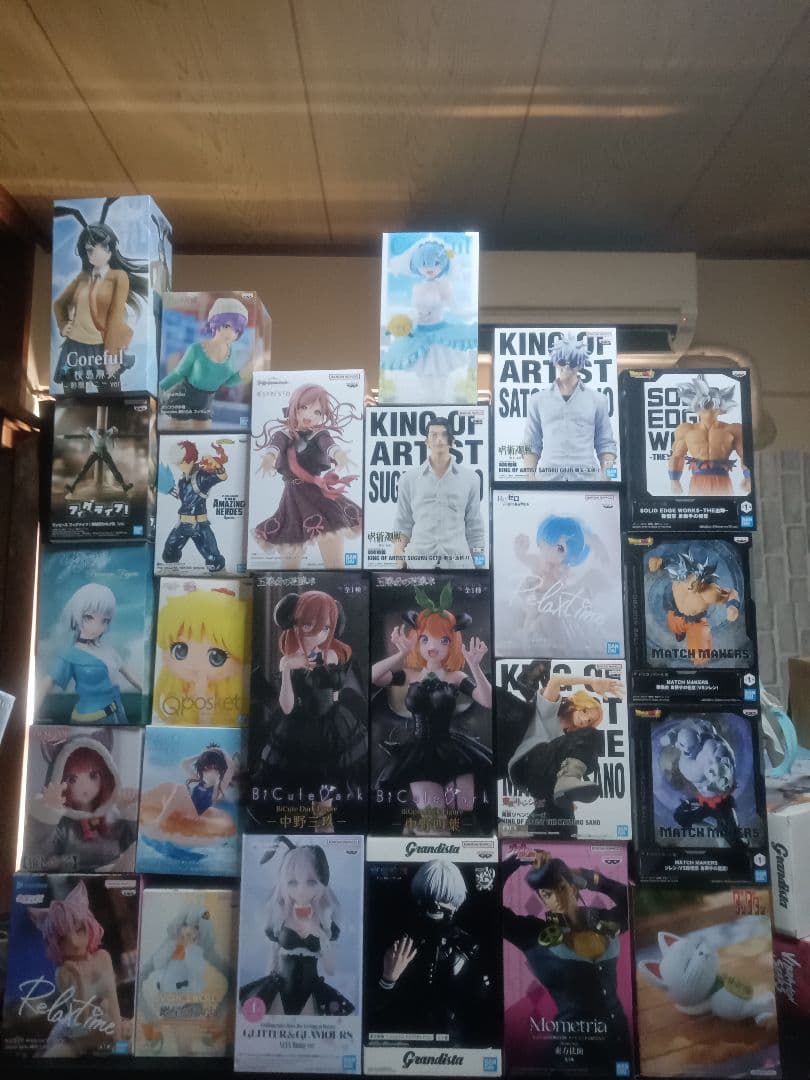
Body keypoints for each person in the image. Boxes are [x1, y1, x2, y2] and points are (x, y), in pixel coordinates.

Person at [371, 585, 492, 834]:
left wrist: (474, 666)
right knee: (437, 824)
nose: (432, 646)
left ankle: (416, 825)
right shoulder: (410, 674)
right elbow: (374, 677)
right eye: (425, 639)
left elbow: (487, 700)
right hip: (418, 753)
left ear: (452, 643)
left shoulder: (455, 676)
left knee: (465, 808)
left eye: (442, 640)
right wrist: (401, 654)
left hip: (451, 749)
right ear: (417, 640)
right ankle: (419, 826)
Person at [502, 849, 631, 1069]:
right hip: (574, 1052)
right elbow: (486, 909)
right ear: (543, 899)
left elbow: (630, 901)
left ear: (573, 887)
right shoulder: (534, 934)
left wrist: (590, 877)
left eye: (561, 888)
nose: (557, 898)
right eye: (547, 894)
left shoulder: (602, 920)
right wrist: (513, 862)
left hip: (620, 1042)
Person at [250, 590, 367, 831]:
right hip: (300, 730)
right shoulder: (289, 660)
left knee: (325, 805)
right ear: (295, 625)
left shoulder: (332, 655)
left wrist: (337, 715)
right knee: (307, 801)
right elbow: (287, 707)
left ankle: (324, 835)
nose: (318, 635)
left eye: (325, 628)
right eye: (308, 626)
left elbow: (335, 693)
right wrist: (286, 669)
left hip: (334, 729)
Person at [372, 859, 494, 1043]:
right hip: (405, 1037)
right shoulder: (401, 943)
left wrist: (476, 989)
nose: (436, 905)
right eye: (430, 896)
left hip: (452, 1041)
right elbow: (374, 1009)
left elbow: (481, 1014)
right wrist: (388, 980)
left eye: (444, 898)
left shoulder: (467, 946)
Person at [239, 838, 354, 1016]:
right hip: (279, 988)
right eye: (292, 882)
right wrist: (265, 992)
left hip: (311, 989)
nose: (301, 890)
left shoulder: (324, 920)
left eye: (311, 882)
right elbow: (272, 960)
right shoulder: (279, 917)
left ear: (322, 883)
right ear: (284, 883)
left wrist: (323, 931)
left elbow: (330, 968)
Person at [253, 383, 362, 569]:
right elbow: (275, 447)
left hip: (319, 496)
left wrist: (339, 454)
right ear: (294, 407)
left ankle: (338, 583)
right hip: (292, 499)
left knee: (334, 557)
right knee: (289, 559)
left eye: (317, 412)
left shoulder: (319, 434)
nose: (309, 415)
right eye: (304, 407)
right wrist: (269, 458)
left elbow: (329, 445)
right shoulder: (283, 435)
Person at [507, 671, 625, 835]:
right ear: (576, 704)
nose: (585, 720)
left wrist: (569, 797)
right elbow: (556, 680)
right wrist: (592, 681)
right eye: (585, 711)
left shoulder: (572, 742)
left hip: (540, 785)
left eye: (590, 721)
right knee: (591, 736)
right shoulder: (550, 712)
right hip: (530, 763)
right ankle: (567, 780)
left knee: (565, 822)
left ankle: (527, 831)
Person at [52, 198, 148, 394]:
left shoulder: (118, 277)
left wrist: (111, 355)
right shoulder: (83, 278)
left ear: (109, 248)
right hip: (75, 348)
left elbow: (115, 316)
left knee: (113, 401)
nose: (93, 254)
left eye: (99, 248)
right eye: (89, 250)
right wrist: (63, 325)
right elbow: (59, 304)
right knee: (72, 404)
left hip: (102, 346)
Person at [28, 880, 129, 1057]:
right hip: (75, 1035)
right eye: (63, 939)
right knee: (57, 1055)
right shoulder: (63, 972)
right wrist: (78, 976)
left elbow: (113, 1001)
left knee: (131, 1039)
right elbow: (81, 1020)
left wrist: (118, 1040)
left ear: (89, 926)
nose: (74, 943)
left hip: (106, 1024)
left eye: (80, 930)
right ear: (54, 943)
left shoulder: (103, 957)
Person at [380, 237, 478, 404]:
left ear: (443, 264)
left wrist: (470, 313)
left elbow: (455, 307)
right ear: (417, 265)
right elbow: (414, 311)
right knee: (423, 374)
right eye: (424, 263)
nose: (430, 268)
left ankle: (440, 404)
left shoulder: (444, 286)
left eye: (436, 263)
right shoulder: (416, 287)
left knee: (441, 373)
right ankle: (428, 404)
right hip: (419, 333)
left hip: (439, 333)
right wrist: (405, 321)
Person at [28, 731, 138, 873]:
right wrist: (48, 814)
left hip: (113, 878)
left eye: (93, 776)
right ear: (59, 780)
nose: (85, 786)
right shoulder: (64, 826)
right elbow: (41, 855)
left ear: (106, 776)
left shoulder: (112, 818)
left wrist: (128, 812)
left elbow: (133, 846)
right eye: (72, 779)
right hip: (73, 880)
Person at [137, 902, 232, 1056]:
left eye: (196, 928)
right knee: (184, 1046)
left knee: (188, 1046)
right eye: (186, 925)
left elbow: (220, 977)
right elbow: (147, 971)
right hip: (171, 1003)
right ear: (179, 925)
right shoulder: (170, 945)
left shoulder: (201, 951)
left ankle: (206, 1038)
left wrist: (218, 1015)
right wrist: (149, 1015)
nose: (189, 931)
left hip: (192, 1003)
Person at [37, 583, 141, 724]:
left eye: (105, 620)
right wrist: (27, 719)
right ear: (78, 615)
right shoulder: (69, 654)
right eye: (89, 617)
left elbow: (134, 679)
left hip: (116, 716)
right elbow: (45, 685)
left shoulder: (109, 651)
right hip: (89, 721)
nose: (97, 627)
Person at [522, 332, 617, 481]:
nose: (567, 366)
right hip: (548, 482)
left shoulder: (598, 400)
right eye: (562, 361)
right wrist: (530, 478)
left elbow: (606, 445)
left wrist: (608, 479)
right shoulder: (537, 400)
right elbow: (530, 443)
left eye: (572, 362)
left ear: (580, 364)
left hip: (588, 482)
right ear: (555, 362)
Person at [392, 417, 485, 569]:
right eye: (433, 435)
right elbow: (402, 524)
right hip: (418, 565)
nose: (439, 439)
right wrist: (398, 557)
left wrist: (480, 567)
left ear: (452, 441)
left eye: (444, 434)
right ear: (426, 442)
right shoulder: (408, 479)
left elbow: (475, 528)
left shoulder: (471, 479)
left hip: (458, 566)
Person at [153, 585, 249, 726]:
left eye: (216, 657)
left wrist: (203, 699)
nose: (194, 665)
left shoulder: (232, 694)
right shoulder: (179, 689)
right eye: (180, 650)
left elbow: (208, 726)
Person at [158, 297, 249, 429]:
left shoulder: (231, 352)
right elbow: (178, 373)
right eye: (227, 326)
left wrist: (246, 372)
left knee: (204, 437)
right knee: (177, 436)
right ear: (215, 322)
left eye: (236, 330)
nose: (231, 333)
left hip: (205, 403)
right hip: (184, 398)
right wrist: (158, 390)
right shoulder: (196, 349)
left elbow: (229, 382)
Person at [658, 717, 748, 849]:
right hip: (703, 800)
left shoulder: (712, 750)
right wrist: (671, 735)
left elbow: (726, 775)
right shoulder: (687, 739)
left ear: (698, 741)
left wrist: (720, 778)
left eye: (688, 748)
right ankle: (715, 828)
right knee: (680, 816)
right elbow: (689, 723)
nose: (685, 751)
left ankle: (729, 836)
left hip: (720, 800)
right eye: (683, 747)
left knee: (735, 841)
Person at [647, 550, 741, 666]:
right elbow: (669, 562)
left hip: (696, 622)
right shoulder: (679, 573)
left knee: (701, 656)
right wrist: (659, 562)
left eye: (695, 580)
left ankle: (701, 664)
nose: (691, 584)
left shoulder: (709, 592)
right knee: (674, 626)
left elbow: (731, 593)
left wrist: (733, 607)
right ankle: (680, 633)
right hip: (675, 614)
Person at [139, 743, 239, 845]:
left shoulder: (218, 788)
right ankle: (160, 818)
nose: (208, 772)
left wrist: (219, 752)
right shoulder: (199, 780)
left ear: (219, 771)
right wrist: (203, 754)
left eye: (212, 769)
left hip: (196, 814)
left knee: (180, 789)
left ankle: (158, 822)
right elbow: (184, 764)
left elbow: (230, 768)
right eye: (205, 769)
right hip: (186, 809)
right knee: (169, 790)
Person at [668, 375, 750, 495]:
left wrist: (748, 476)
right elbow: (677, 456)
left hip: (722, 481)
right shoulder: (686, 430)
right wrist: (674, 480)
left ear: (720, 408)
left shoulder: (733, 429)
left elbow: (746, 456)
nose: (711, 409)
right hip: (697, 482)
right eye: (707, 405)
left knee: (724, 505)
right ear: (696, 407)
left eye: (714, 404)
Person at [160, 439, 231, 574]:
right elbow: (185, 499)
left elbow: (221, 477)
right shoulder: (182, 479)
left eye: (181, 462)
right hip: (182, 524)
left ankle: (221, 577)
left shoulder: (201, 477)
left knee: (213, 560)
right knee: (169, 553)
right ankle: (172, 575)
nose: (178, 466)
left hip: (199, 526)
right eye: (177, 463)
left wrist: (218, 467)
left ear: (189, 460)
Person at [64, 427, 132, 495]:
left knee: (114, 469)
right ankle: (72, 487)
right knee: (84, 469)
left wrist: (115, 433)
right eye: (99, 435)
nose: (101, 436)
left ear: (104, 433)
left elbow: (114, 428)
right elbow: (88, 429)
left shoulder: (107, 433)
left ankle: (124, 486)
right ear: (97, 433)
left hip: (104, 453)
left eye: (102, 435)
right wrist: (86, 434)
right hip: (95, 453)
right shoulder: (94, 433)